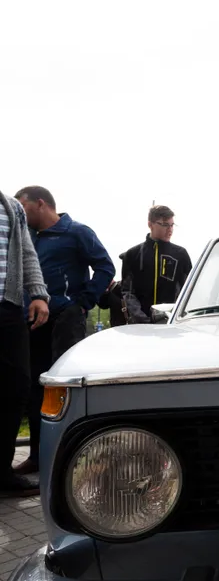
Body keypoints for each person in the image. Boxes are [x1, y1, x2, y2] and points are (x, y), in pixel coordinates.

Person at [14, 186, 115, 475]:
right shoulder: (28, 238)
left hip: (65, 319)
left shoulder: (77, 232)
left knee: (64, 387)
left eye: (23, 207)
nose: (20, 213)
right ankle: (37, 456)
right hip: (32, 321)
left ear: (41, 204)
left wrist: (82, 303)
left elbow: (105, 267)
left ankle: (71, 456)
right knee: (34, 387)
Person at [0, 190, 49, 497]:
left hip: (8, 306)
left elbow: (28, 255)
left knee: (16, 387)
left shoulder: (12, 207)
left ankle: (2, 472)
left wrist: (39, 294)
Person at [121, 205, 192, 323]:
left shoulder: (180, 254)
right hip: (139, 326)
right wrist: (141, 319)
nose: (170, 229)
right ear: (150, 224)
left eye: (172, 225)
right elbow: (127, 292)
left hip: (171, 324)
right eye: (165, 225)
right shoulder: (132, 255)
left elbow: (189, 289)